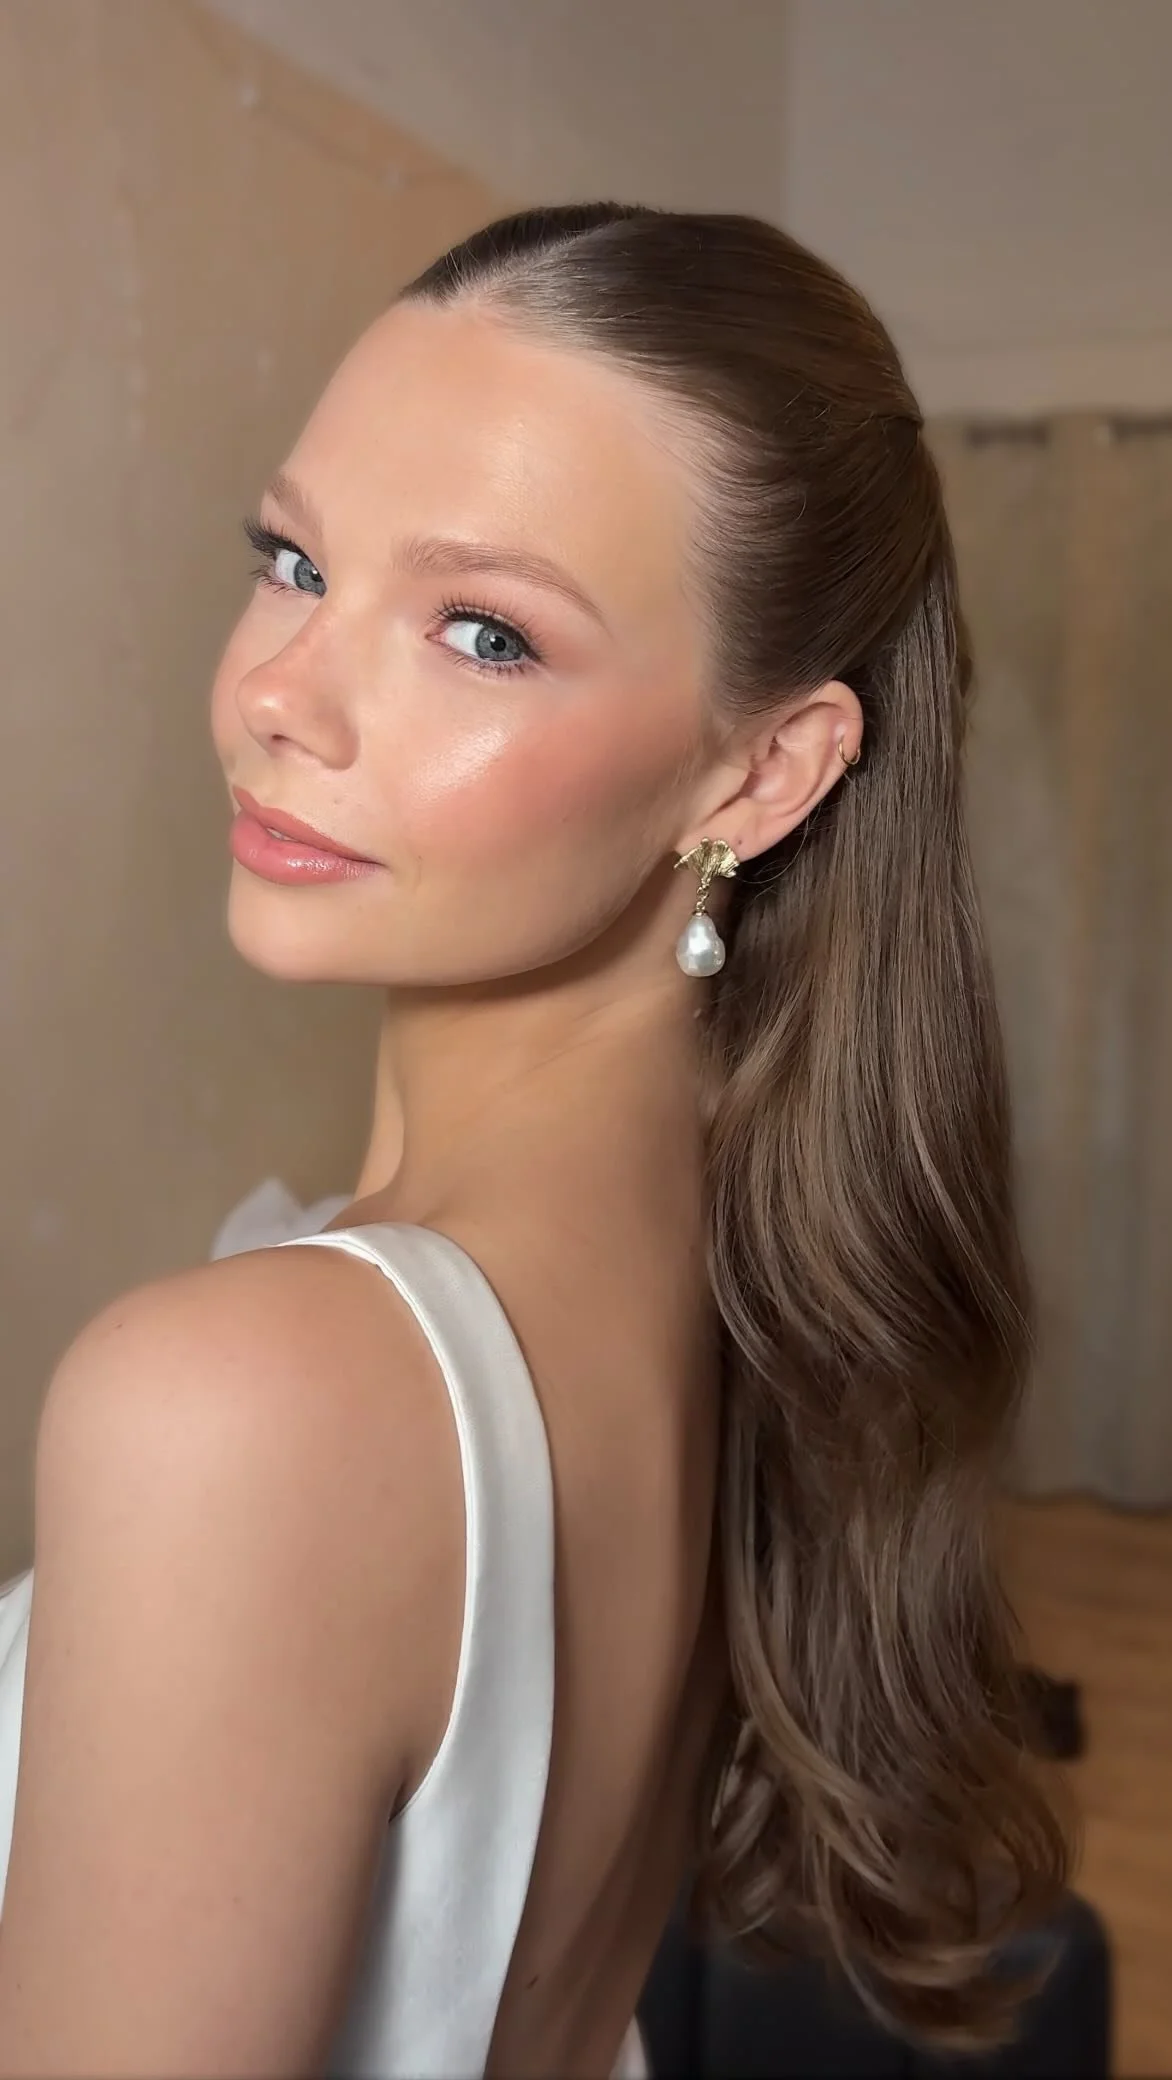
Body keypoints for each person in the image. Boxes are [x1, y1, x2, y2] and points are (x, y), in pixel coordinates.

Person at [0, 203, 1074, 2078]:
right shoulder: (715, 1289)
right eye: (293, 559)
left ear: (762, 771)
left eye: (483, 633)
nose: (280, 694)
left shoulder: (252, 1405)